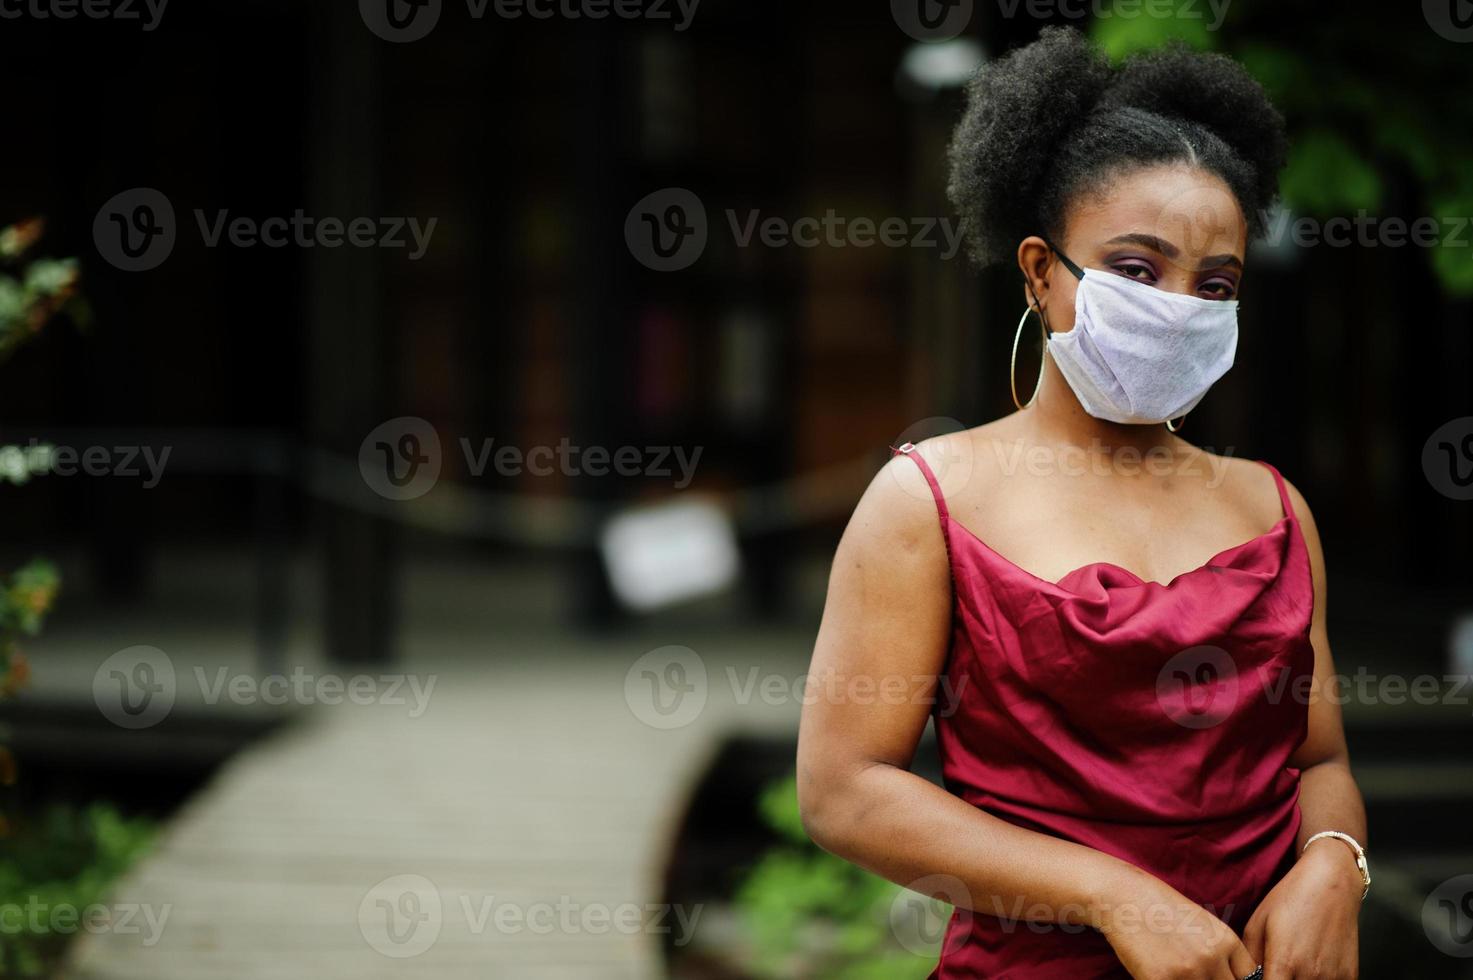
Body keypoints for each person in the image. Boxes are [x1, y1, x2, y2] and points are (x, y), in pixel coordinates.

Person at [796, 27, 1368, 980]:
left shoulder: (1271, 506)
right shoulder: (928, 499)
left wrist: (1330, 862)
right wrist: (1117, 896)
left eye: (1213, 283)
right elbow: (844, 793)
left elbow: (1321, 764)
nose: (1178, 306)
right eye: (1137, 271)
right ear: (1039, 272)